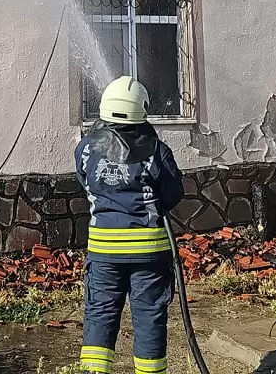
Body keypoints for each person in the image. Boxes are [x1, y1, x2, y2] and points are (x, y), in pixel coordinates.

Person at [75, 76, 185, 374]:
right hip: (149, 253)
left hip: (103, 253)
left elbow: (87, 184)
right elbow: (173, 194)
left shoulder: (87, 149)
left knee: (100, 314)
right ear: (142, 109)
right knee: (149, 316)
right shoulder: (156, 151)